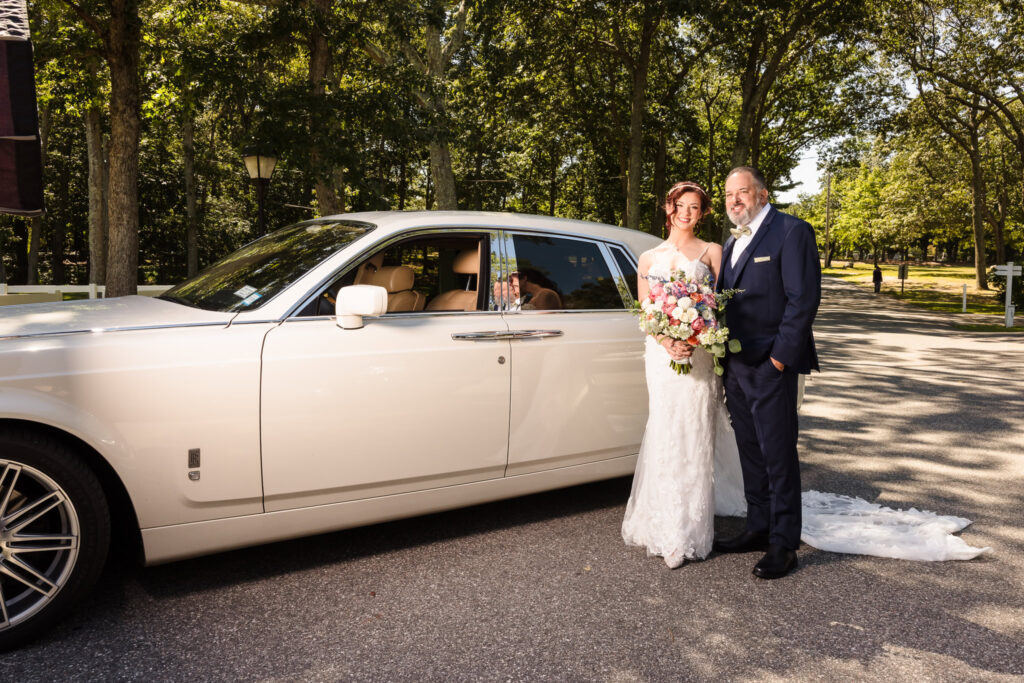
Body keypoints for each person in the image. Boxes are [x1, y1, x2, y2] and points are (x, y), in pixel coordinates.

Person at [621, 181, 747, 568]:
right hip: (662, 357)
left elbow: (723, 306)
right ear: (668, 206)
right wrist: (667, 342)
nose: (687, 213)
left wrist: (700, 337)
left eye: (695, 207)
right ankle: (663, 527)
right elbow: (646, 313)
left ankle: (689, 532)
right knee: (665, 430)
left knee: (695, 433)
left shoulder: (713, 252)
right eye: (681, 205)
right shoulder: (647, 258)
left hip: (701, 355)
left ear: (703, 213)